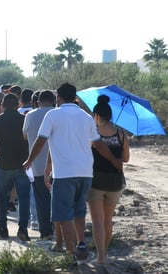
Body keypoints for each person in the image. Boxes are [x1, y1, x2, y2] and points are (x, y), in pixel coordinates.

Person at [23, 83, 122, 259]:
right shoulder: (86, 117)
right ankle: (81, 243)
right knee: (78, 211)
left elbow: (40, 141)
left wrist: (29, 161)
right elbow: (99, 144)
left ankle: (71, 255)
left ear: (58, 98)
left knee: (63, 215)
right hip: (85, 173)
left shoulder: (53, 115)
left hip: (64, 173)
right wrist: (115, 161)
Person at [87, 95, 130, 265]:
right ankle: (104, 254)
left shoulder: (93, 134)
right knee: (107, 220)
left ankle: (101, 257)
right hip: (115, 182)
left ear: (96, 115)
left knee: (97, 221)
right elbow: (125, 159)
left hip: (96, 181)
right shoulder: (121, 134)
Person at [0, 94, 31, 241]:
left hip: (3, 163)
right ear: (18, 105)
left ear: (2, 106)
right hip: (22, 164)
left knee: (1, 197)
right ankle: (23, 228)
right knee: (24, 197)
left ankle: (3, 228)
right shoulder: (24, 120)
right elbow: (29, 139)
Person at [23, 90, 56, 239]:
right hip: (57, 164)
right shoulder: (57, 114)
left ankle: (45, 231)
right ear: (54, 100)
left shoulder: (30, 115)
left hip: (36, 164)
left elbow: (24, 135)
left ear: (38, 101)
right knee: (57, 199)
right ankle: (59, 229)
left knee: (41, 200)